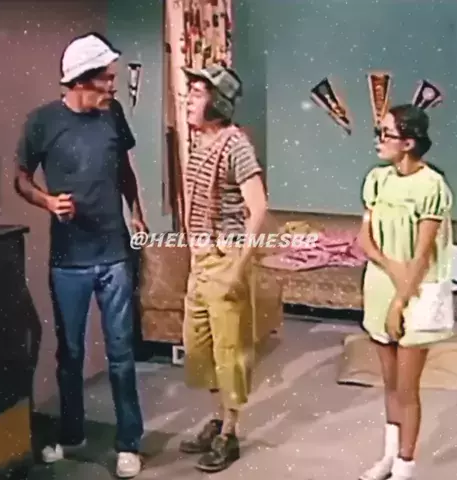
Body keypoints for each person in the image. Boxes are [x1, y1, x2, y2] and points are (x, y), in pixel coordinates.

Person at [14, 32, 147, 478]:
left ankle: (129, 442)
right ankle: (72, 434)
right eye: (106, 78)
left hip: (114, 254)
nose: (112, 86)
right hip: (68, 260)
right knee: (69, 354)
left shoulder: (113, 115)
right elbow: (20, 178)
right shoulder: (42, 122)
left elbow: (125, 170)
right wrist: (47, 202)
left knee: (121, 353)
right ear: (80, 81)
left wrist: (138, 214)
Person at [178, 64, 268, 472]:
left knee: (229, 352)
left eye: (198, 94)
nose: (189, 100)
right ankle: (218, 418)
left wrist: (238, 268)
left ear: (218, 103)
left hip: (227, 257)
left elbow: (258, 208)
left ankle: (229, 434)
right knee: (200, 347)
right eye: (191, 92)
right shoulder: (200, 143)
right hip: (201, 262)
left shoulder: (236, 146)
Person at [358, 104, 454, 480]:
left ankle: (405, 464)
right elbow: (364, 239)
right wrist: (389, 265)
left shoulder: (432, 186)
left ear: (409, 142)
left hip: (415, 292)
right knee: (390, 384)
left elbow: (423, 253)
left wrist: (400, 299)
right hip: (380, 285)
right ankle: (388, 455)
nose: (378, 141)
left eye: (386, 134)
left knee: (407, 386)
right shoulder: (377, 180)